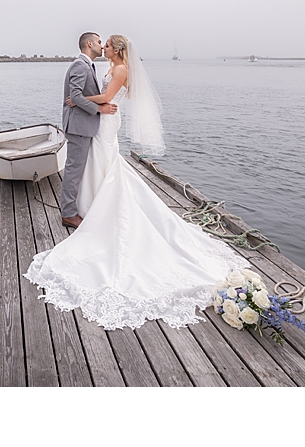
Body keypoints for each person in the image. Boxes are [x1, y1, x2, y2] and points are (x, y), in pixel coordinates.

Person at [25, 34, 248, 330]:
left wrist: (87, 102)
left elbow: (106, 99)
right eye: (99, 43)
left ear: (116, 49)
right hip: (99, 123)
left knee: (105, 164)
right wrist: (88, 103)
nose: (103, 47)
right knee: (97, 166)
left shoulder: (120, 70)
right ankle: (88, 206)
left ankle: (96, 208)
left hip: (105, 123)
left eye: (106, 44)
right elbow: (97, 96)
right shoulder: (103, 67)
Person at [59, 32, 118, 230]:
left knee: (78, 170)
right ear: (89, 43)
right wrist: (99, 108)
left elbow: (80, 96)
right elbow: (74, 96)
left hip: (83, 126)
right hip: (78, 126)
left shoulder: (88, 66)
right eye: (100, 42)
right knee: (73, 170)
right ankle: (68, 214)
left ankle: (77, 207)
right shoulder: (80, 65)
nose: (102, 46)